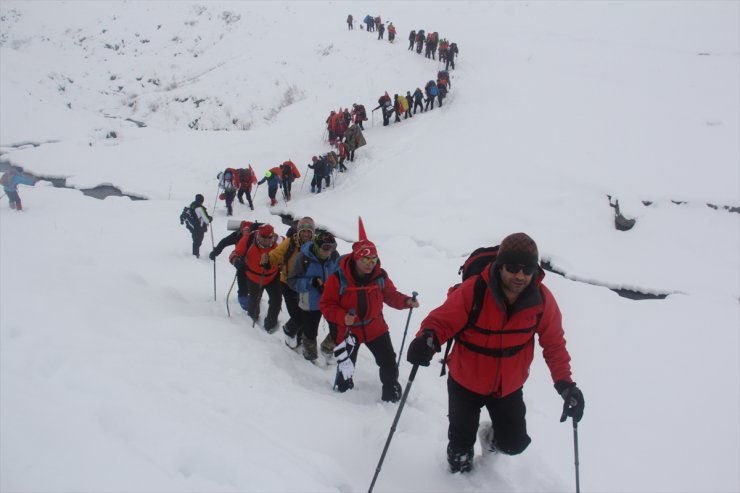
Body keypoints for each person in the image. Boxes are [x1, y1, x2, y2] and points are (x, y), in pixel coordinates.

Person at [406, 233, 585, 473]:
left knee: (514, 444)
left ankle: (488, 438)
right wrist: (427, 339)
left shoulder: (541, 299)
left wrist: (565, 384)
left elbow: (553, 344)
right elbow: (442, 321)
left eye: (528, 269)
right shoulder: (475, 290)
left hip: (507, 387)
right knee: (459, 453)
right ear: (500, 267)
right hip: (465, 381)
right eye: (512, 267)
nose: (520, 276)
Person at [320, 224, 420, 402]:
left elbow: (390, 295)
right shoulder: (338, 279)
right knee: (346, 365)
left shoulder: (379, 276)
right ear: (356, 258)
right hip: (350, 331)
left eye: (373, 260)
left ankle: (390, 393)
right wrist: (343, 317)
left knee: (389, 361)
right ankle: (342, 396)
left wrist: (406, 301)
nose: (370, 264)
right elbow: (327, 305)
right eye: (365, 260)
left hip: (376, 328)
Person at [288, 230, 341, 362]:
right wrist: (311, 282)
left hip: (330, 301)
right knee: (310, 331)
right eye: (325, 248)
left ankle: (327, 348)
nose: (329, 252)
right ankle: (310, 356)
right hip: (311, 302)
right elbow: (292, 281)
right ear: (317, 246)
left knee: (338, 327)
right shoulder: (304, 257)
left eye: (332, 247)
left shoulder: (334, 257)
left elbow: (339, 277)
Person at [268, 217, 316, 348]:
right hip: (288, 283)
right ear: (298, 231)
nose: (306, 234)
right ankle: (289, 331)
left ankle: (299, 339)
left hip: (306, 286)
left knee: (305, 316)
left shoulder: (316, 246)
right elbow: (277, 254)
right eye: (303, 231)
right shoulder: (290, 243)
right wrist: (268, 259)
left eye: (308, 231)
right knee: (298, 317)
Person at [229, 223, 282, 332]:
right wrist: (236, 260)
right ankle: (252, 320)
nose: (266, 240)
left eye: (269, 238)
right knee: (254, 300)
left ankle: (270, 325)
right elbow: (234, 254)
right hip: (253, 278)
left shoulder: (279, 242)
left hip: (273, 277)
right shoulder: (248, 240)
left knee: (276, 300)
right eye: (263, 237)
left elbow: (289, 251)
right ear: (258, 235)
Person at [211, 220, 258, 310]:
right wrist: (215, 252)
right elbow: (224, 242)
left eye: (248, 231)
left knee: (250, 281)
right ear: (241, 230)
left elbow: (224, 242)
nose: (246, 234)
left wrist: (215, 252)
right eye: (244, 231)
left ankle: (249, 297)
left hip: (253, 261)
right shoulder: (237, 235)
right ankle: (244, 300)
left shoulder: (255, 234)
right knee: (242, 280)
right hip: (241, 261)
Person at [186, 194, 212, 258]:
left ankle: (195, 254)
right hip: (199, 227)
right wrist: (210, 218)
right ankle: (195, 256)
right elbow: (206, 220)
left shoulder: (191, 205)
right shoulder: (200, 208)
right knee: (198, 242)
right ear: (202, 200)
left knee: (195, 241)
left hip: (192, 226)